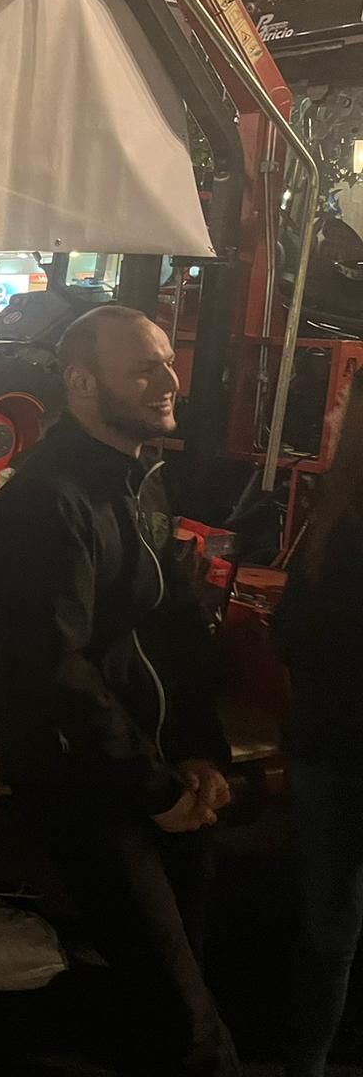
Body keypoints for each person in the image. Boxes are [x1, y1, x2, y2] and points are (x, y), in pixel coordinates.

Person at [0, 305, 238, 1076]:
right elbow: (57, 673)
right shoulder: (43, 502)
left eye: (166, 360)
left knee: (169, 992)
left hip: (154, 771)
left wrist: (200, 754)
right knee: (190, 1025)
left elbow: (173, 630)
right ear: (83, 385)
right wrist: (153, 788)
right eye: (144, 367)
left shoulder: (140, 484)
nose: (170, 379)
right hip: (86, 785)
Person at [275, 363, 363, 1077]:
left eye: (339, 404)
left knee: (328, 932)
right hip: (334, 748)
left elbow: (292, 636)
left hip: (327, 749)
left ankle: (305, 1066)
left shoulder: (335, 520)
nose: (329, 415)